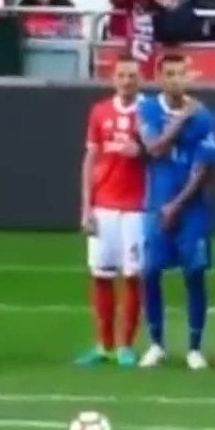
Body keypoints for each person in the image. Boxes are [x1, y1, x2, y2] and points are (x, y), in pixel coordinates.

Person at [136, 54, 215, 370]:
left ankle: (195, 347)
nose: (175, 79)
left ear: (189, 77)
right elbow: (154, 147)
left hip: (191, 207)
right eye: (169, 74)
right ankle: (156, 343)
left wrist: (178, 203)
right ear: (159, 77)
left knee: (195, 273)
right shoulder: (147, 108)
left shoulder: (205, 117)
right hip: (155, 205)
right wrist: (182, 118)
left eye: (180, 74)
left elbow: (203, 168)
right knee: (151, 273)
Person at [75, 56, 146, 368]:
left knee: (132, 276)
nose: (127, 81)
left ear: (140, 79)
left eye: (132, 75)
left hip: (137, 206)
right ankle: (103, 344)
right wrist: (86, 207)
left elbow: (160, 151)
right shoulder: (100, 111)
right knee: (101, 274)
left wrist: (142, 151)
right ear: (113, 78)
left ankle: (126, 346)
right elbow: (90, 159)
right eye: (122, 75)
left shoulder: (149, 111)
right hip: (104, 204)